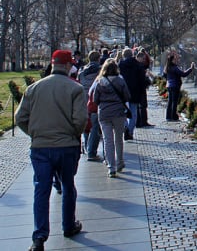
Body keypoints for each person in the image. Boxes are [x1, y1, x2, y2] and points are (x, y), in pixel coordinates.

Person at [15, 49, 87, 250]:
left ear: (52, 64)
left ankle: (39, 236)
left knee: (41, 189)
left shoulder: (33, 88)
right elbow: (80, 120)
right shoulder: (75, 89)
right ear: (67, 65)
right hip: (66, 146)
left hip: (41, 147)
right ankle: (68, 224)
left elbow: (20, 118)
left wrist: (35, 133)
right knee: (68, 185)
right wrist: (73, 134)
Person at [89, 59, 130, 178]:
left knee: (107, 140)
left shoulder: (100, 82)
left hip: (104, 113)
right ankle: (120, 162)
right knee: (118, 139)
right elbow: (127, 95)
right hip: (118, 113)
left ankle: (111, 167)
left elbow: (95, 99)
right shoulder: (120, 80)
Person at [78, 50, 103, 162]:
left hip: (83, 99)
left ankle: (88, 145)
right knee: (95, 126)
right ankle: (91, 151)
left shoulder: (82, 71)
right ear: (98, 59)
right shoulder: (100, 70)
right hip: (94, 100)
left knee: (86, 125)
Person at [118, 47, 147, 140]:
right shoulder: (138, 65)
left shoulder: (120, 65)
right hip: (135, 92)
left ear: (123, 55)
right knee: (133, 113)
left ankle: (125, 127)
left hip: (122, 92)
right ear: (132, 55)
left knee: (123, 112)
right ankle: (130, 131)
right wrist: (142, 91)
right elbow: (142, 80)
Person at [165, 52, 195, 121]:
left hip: (169, 85)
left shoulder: (168, 67)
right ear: (172, 60)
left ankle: (168, 116)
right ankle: (174, 117)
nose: (177, 61)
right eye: (175, 59)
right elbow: (183, 74)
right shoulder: (175, 67)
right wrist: (191, 68)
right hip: (175, 85)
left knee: (170, 102)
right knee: (174, 102)